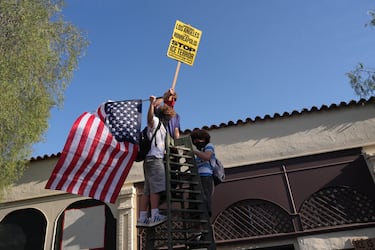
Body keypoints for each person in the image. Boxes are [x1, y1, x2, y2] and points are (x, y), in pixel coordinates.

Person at [137, 95, 175, 227]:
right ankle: (154, 215)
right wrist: (152, 105)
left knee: (147, 190)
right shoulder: (156, 122)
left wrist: (168, 97)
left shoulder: (162, 126)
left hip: (149, 160)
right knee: (156, 188)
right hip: (155, 159)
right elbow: (149, 119)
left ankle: (142, 218)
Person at [190, 129, 215, 218]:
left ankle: (206, 216)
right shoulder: (199, 152)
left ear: (205, 139)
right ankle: (197, 222)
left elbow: (207, 157)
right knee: (194, 200)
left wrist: (193, 152)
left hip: (205, 176)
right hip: (197, 177)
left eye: (199, 139)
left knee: (204, 198)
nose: (197, 141)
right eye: (195, 140)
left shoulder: (209, 146)